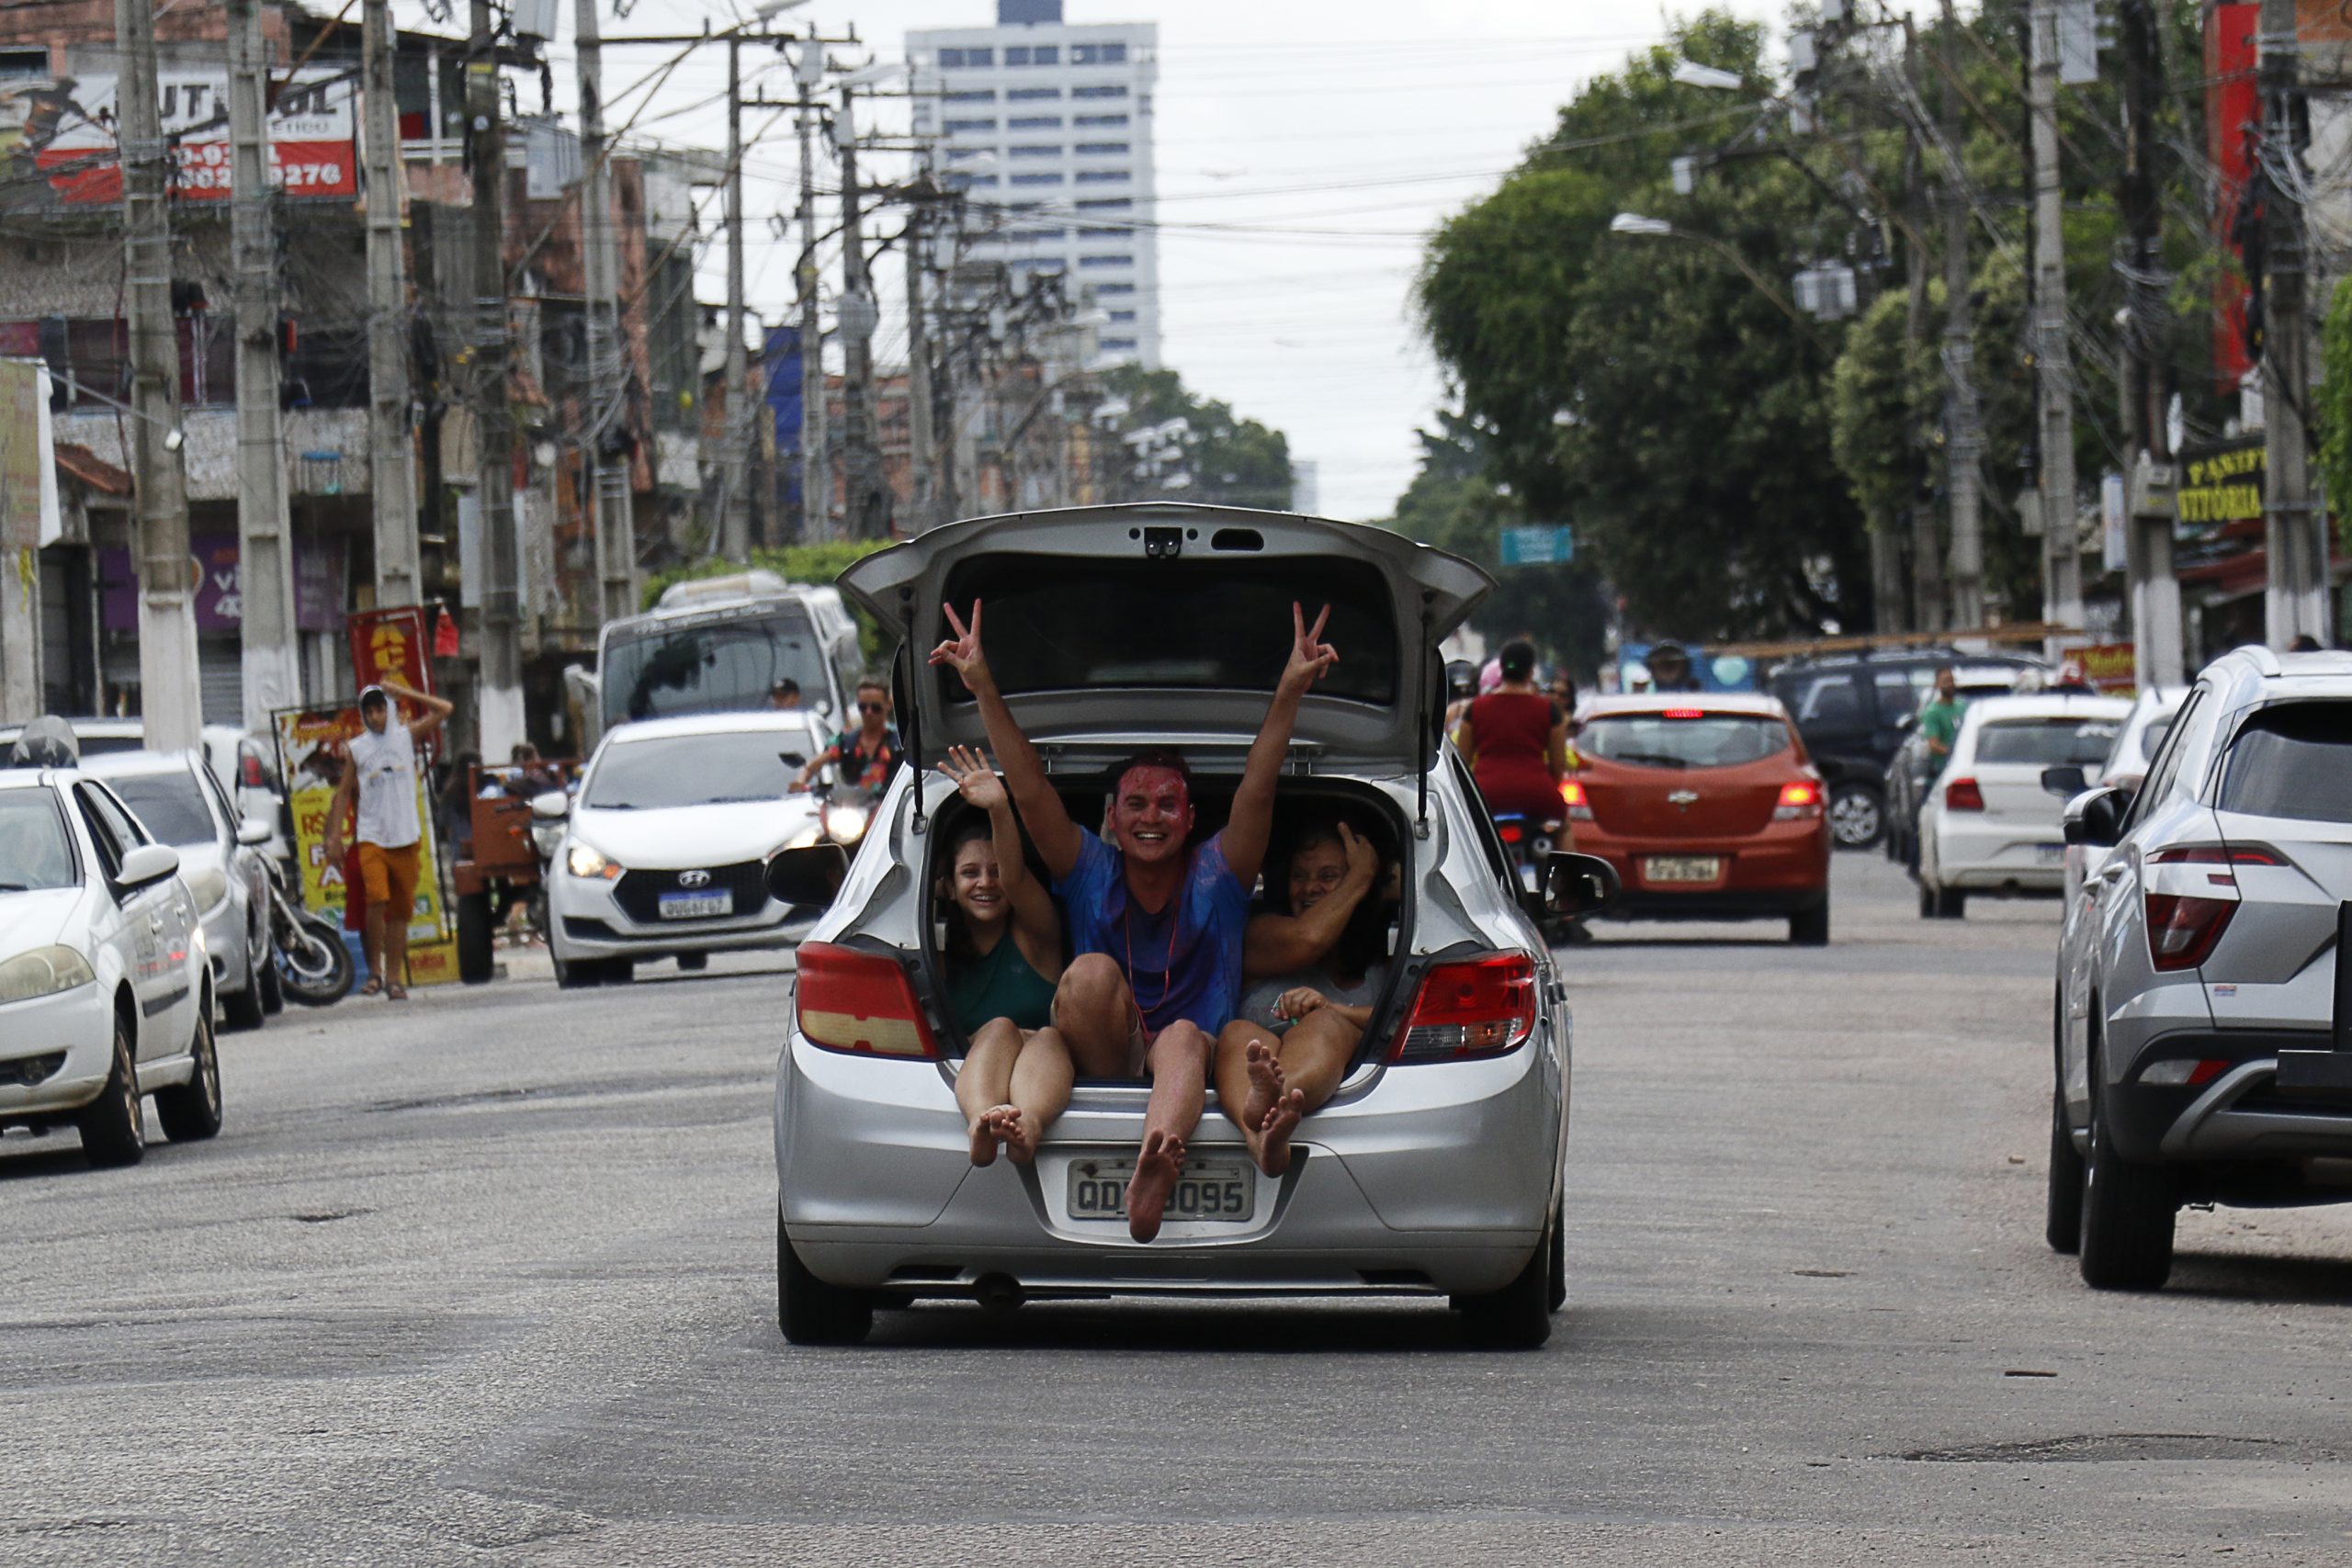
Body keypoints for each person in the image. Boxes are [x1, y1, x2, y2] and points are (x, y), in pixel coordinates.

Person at [930, 598, 1336, 1242]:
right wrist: (981, 682)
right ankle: (1155, 1145)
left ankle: (1157, 1160)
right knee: (1089, 972)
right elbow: (1031, 790)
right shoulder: (1091, 871)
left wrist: (1289, 690)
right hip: (1103, 1050)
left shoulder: (1217, 875)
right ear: (1112, 818)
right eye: (1137, 803)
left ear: (1192, 817)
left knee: (1178, 1035)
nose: (1152, 816)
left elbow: (1257, 788)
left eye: (1168, 803)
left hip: (1189, 1053)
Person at [1213, 818, 1385, 1176]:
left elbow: (1403, 1019)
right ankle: (1260, 1135)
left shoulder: (1380, 969)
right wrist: (1361, 875)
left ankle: (1272, 1105)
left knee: (1323, 1023)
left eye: (1328, 875)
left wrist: (1332, 1009)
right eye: (1299, 875)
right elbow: (1308, 939)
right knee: (1240, 1035)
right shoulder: (1262, 934)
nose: (1310, 887)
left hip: (1320, 1061)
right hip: (1245, 1078)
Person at [935, 744, 1070, 1168]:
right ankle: (981, 1121)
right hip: (983, 1070)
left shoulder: (1035, 935)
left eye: (993, 871)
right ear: (947, 887)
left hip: (1049, 1068)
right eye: (970, 873)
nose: (986, 883)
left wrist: (999, 810)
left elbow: (1015, 879)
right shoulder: (938, 958)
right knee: (998, 1030)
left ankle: (1026, 1127)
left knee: (1046, 1036)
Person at [322, 680, 451, 999]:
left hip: (405, 836)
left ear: (388, 710)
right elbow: (342, 795)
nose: (376, 716)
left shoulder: (405, 737)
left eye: (381, 709)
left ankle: (394, 978)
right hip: (372, 836)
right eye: (370, 711)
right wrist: (334, 838)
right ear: (363, 715)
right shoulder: (358, 748)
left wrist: (405, 693)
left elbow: (445, 709)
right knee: (375, 899)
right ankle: (374, 972)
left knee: (400, 911)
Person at [1454, 639, 1572, 826]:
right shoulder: (1549, 710)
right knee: (1563, 828)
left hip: (1486, 795)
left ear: (1502, 668)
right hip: (1537, 794)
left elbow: (1461, 764)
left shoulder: (1475, 709)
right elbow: (1558, 766)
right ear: (1531, 672)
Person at [791, 678, 899, 794]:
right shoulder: (846, 741)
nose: (869, 713)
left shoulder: (901, 742)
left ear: (888, 705)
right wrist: (800, 781)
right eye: (863, 707)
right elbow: (814, 764)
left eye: (875, 708)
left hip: (893, 807)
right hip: (854, 807)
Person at [1917, 666, 1966, 769]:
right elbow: (1934, 745)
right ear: (1937, 685)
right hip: (1943, 768)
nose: (1950, 684)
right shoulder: (1933, 712)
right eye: (1945, 681)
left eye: (1951, 680)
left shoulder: (1962, 707)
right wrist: (1956, 754)